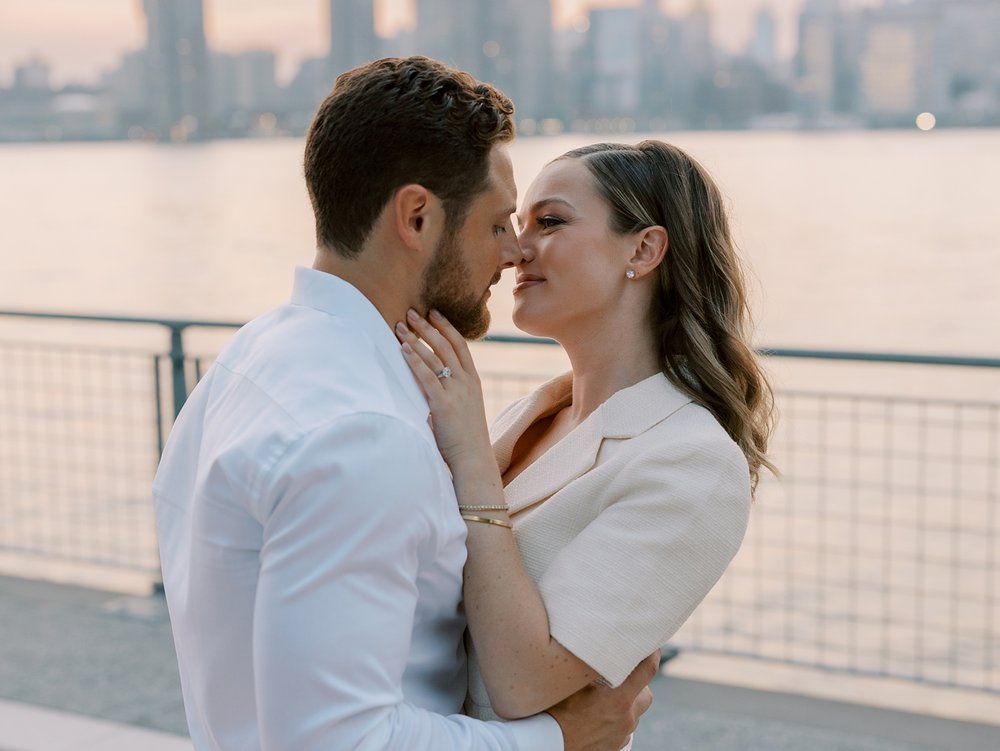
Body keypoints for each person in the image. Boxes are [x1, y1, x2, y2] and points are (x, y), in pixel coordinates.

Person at [152, 58, 657, 751]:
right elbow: (336, 742)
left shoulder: (249, 358)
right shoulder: (359, 435)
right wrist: (558, 737)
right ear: (417, 216)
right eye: (495, 223)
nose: (515, 251)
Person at [396, 139, 776, 728]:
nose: (516, 248)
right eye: (519, 224)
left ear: (644, 249)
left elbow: (523, 683)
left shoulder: (692, 464)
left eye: (550, 222)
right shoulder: (535, 413)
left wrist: (468, 450)